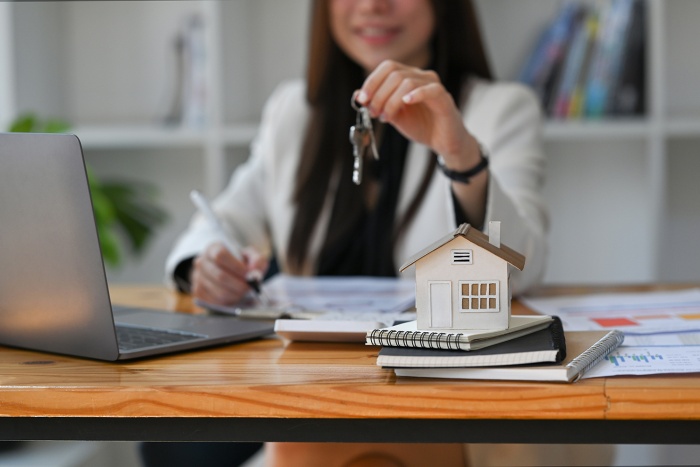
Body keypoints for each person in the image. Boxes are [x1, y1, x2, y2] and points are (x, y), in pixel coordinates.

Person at [165, 0, 613, 466]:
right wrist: (207, 262)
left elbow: (519, 269)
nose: (372, 5)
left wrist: (459, 152)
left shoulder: (500, 109)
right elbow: (222, 221)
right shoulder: (293, 112)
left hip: (450, 403)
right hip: (314, 396)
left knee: (312, 443)